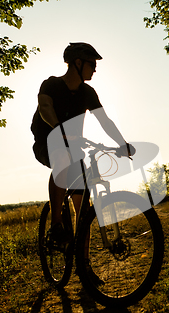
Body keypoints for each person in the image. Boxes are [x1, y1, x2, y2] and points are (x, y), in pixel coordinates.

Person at [31, 42, 133, 243]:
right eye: (92, 64)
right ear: (78, 63)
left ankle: (83, 265)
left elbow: (104, 120)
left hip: (74, 148)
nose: (95, 69)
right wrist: (58, 128)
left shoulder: (88, 93)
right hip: (47, 141)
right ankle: (56, 225)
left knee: (83, 209)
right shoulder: (51, 84)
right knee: (62, 157)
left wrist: (122, 143)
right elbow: (44, 106)